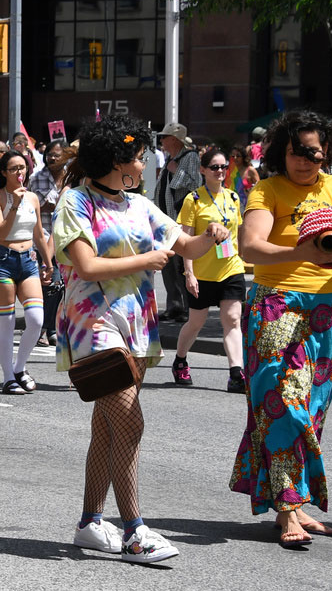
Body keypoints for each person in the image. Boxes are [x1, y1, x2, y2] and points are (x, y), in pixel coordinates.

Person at [53, 114, 230, 563]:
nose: (144, 163)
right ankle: (134, 531)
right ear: (116, 160)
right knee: (130, 423)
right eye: (137, 156)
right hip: (93, 324)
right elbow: (87, 267)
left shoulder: (138, 204)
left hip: (134, 323)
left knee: (107, 428)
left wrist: (209, 236)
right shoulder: (75, 202)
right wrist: (146, 259)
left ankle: (91, 522)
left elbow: (183, 245)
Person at [231, 109, 332, 547]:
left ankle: (293, 501)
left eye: (313, 153)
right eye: (296, 152)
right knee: (283, 403)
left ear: (327, 151)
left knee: (311, 409)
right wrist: (304, 251)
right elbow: (250, 248)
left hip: (329, 309)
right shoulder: (267, 189)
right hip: (278, 305)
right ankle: (289, 510)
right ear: (282, 152)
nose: (304, 161)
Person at [173, 148, 247, 392]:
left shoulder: (234, 198)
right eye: (214, 167)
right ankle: (180, 359)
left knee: (233, 320)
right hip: (203, 273)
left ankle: (236, 373)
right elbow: (184, 239)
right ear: (202, 170)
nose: (220, 171)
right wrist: (189, 273)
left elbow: (240, 233)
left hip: (231, 268)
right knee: (196, 322)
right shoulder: (193, 200)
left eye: (224, 167)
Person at [0, 150, 52, 394]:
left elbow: (39, 232)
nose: (19, 172)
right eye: (13, 168)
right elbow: (0, 232)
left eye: (22, 167)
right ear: (4, 172)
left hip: (28, 260)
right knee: (7, 323)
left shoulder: (32, 198)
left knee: (36, 320)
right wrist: (14, 204)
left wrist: (48, 262)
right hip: (2, 260)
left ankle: (19, 368)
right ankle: (7, 378)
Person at [155, 123, 201, 321]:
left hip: (180, 219)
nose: (162, 141)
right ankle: (174, 306)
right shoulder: (169, 159)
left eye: (164, 137)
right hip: (165, 220)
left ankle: (186, 306)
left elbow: (196, 183)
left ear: (174, 139)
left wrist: (176, 172)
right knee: (167, 264)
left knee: (180, 265)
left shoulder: (190, 157)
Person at [29, 139, 69, 343]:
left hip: (67, 237)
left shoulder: (73, 177)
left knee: (60, 285)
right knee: (48, 283)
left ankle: (52, 327)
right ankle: (43, 329)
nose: (52, 158)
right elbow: (31, 206)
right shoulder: (37, 178)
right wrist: (50, 207)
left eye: (57, 154)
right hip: (43, 237)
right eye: (50, 154)